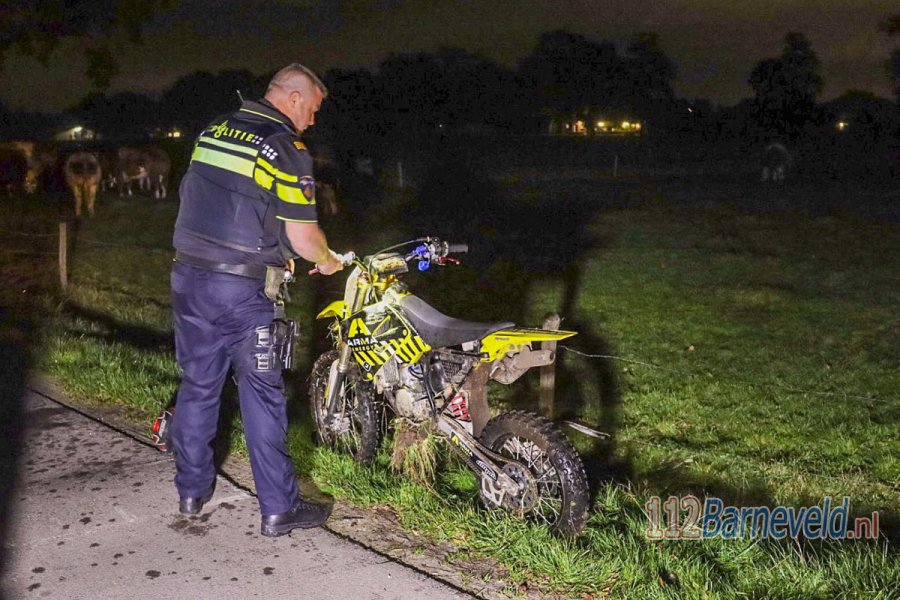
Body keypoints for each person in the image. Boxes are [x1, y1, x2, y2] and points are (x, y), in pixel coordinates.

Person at [169, 63, 344, 537]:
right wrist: (327, 260)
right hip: (241, 292)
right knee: (262, 393)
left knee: (198, 384)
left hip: (188, 276)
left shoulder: (214, 130)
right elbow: (304, 237)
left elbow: (228, 201)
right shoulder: (286, 147)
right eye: (312, 109)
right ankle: (279, 509)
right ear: (293, 98)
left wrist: (275, 247)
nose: (312, 120)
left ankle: (191, 491)